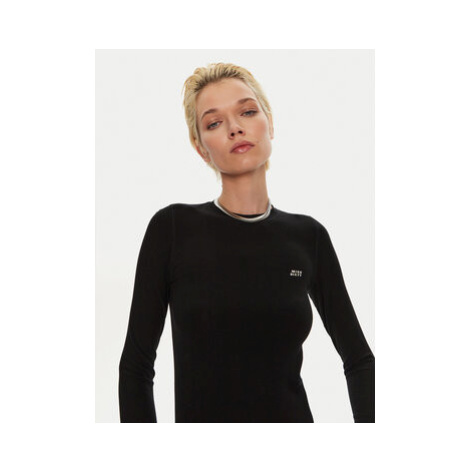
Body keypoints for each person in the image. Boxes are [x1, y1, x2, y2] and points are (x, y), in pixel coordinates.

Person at [118, 62, 375, 423]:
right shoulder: (172, 229)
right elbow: (136, 366)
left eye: (248, 112)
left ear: (270, 122)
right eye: (214, 123)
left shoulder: (309, 237)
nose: (235, 128)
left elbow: (359, 360)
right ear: (200, 147)